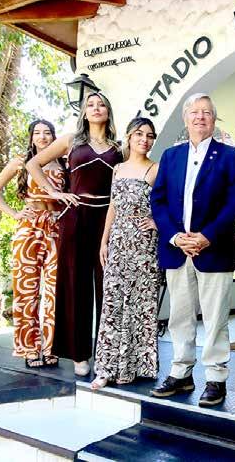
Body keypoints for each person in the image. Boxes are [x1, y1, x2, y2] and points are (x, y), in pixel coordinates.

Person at [150, 93, 235, 407]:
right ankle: (181, 372)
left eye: (206, 112)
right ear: (185, 118)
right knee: (179, 316)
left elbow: (234, 203)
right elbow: (158, 201)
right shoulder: (170, 156)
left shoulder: (230, 156)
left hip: (213, 249)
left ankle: (216, 379)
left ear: (213, 119)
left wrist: (206, 236)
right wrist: (176, 237)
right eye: (194, 112)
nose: (200, 117)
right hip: (177, 250)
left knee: (215, 319)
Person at [27, 92, 122, 376]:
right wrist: (54, 192)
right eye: (90, 105)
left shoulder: (119, 148)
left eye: (101, 104)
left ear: (108, 111)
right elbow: (33, 164)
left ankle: (107, 352)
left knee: (108, 285)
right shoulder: (71, 140)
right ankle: (79, 354)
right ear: (84, 112)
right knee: (75, 285)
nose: (96, 108)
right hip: (76, 216)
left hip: (107, 219)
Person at [0, 120, 66, 368]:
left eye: (47, 133)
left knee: (55, 291)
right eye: (37, 133)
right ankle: (29, 348)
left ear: (54, 137)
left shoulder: (64, 162)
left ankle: (52, 347)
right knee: (26, 290)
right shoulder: (21, 162)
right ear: (31, 137)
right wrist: (14, 214)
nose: (42, 137)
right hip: (29, 228)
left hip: (57, 228)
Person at [91, 117, 164, 389]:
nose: (144, 140)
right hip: (118, 242)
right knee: (112, 304)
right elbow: (113, 206)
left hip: (144, 245)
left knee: (139, 305)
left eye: (149, 135)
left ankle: (133, 368)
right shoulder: (118, 168)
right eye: (139, 134)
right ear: (129, 136)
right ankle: (106, 368)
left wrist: (156, 222)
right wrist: (104, 241)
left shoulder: (156, 169)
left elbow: (170, 203)